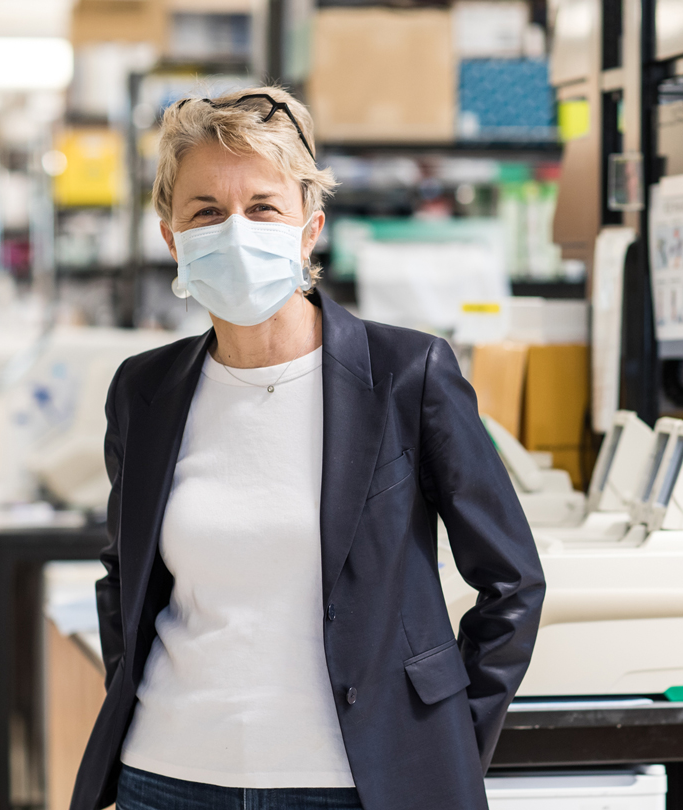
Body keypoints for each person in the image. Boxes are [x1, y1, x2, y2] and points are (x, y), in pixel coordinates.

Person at [70, 86, 545, 810]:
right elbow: (123, 573)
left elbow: (511, 582)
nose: (235, 230)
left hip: (351, 785)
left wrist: (441, 743)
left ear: (307, 229)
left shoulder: (406, 377)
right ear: (171, 237)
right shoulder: (145, 391)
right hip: (168, 777)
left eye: (262, 206)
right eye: (206, 211)